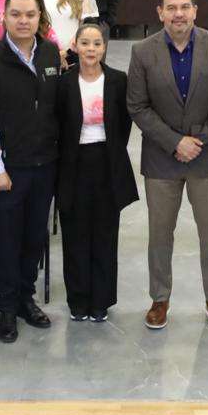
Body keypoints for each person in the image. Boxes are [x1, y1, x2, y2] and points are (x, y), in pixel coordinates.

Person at [127, 0, 208, 332]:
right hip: (162, 158)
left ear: (195, 11)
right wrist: (175, 142)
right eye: (171, 8)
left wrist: (198, 140)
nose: (179, 14)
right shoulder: (142, 51)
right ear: (160, 12)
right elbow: (137, 106)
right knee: (160, 234)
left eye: (185, 7)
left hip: (207, 156)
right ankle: (159, 299)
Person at [0, 0, 64, 342]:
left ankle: (26, 298)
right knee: (8, 241)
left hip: (45, 164)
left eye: (30, 14)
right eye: (16, 14)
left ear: (40, 17)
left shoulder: (51, 53)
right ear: (4, 17)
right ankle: (7, 307)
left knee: (34, 237)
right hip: (8, 169)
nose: (23, 21)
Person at [55, 22, 137, 322]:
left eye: (97, 44)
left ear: (104, 48)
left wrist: (110, 150)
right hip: (73, 164)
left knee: (105, 233)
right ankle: (78, 300)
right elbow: (58, 124)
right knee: (74, 233)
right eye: (85, 43)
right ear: (75, 46)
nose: (91, 49)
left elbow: (124, 124)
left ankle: (101, 300)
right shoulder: (64, 83)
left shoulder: (118, 80)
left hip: (107, 162)